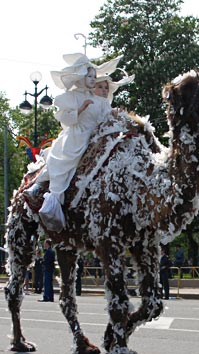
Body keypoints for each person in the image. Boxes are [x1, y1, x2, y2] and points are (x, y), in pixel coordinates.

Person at [23, 53, 128, 232]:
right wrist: (79, 110)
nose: (93, 80)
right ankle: (42, 190)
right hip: (76, 137)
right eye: (90, 76)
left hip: (94, 138)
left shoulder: (101, 102)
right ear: (81, 78)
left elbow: (108, 118)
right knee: (60, 161)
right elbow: (64, 119)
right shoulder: (72, 97)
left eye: (94, 76)